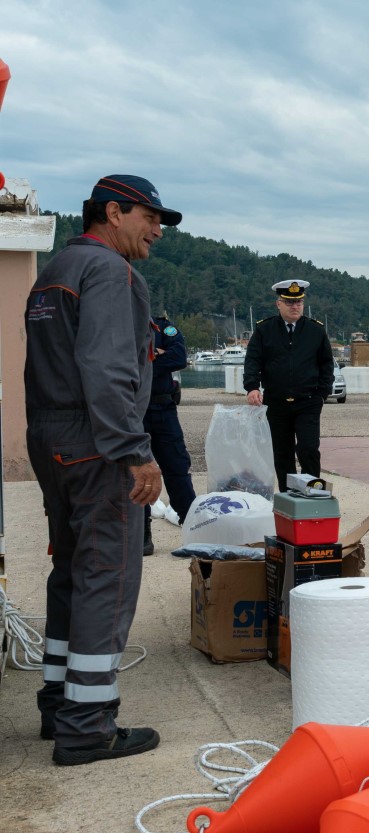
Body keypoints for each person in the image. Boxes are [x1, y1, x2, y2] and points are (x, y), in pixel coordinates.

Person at [26, 174, 180, 765]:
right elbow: (109, 369)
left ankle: (58, 702)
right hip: (97, 446)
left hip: (52, 441)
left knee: (70, 569)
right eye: (151, 217)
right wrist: (135, 451)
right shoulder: (112, 273)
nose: (157, 231)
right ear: (113, 213)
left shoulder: (54, 272)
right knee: (107, 578)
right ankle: (87, 727)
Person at [243, 279, 335, 490]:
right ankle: (288, 496)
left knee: (308, 449)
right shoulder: (264, 330)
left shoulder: (316, 331)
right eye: (289, 302)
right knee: (282, 453)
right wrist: (252, 387)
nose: (295, 306)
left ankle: (312, 492)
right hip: (276, 402)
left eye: (299, 302)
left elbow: (326, 364)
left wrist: (322, 393)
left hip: (308, 401)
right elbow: (253, 361)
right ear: (279, 304)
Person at [142, 314, 197, 555]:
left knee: (178, 467)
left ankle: (194, 528)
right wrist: (158, 355)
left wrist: (143, 362)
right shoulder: (118, 325)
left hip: (164, 409)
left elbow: (179, 357)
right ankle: (142, 534)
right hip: (134, 411)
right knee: (138, 472)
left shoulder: (163, 327)